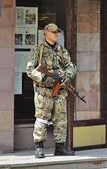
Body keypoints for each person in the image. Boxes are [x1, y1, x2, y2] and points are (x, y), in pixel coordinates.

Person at [26, 23, 77, 157]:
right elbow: (30, 70)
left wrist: (68, 77)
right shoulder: (38, 50)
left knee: (61, 119)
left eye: (57, 32)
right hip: (44, 92)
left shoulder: (61, 50)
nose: (56, 34)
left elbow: (70, 65)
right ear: (46, 33)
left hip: (59, 91)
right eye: (54, 32)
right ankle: (39, 147)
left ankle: (60, 147)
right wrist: (43, 78)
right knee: (42, 119)